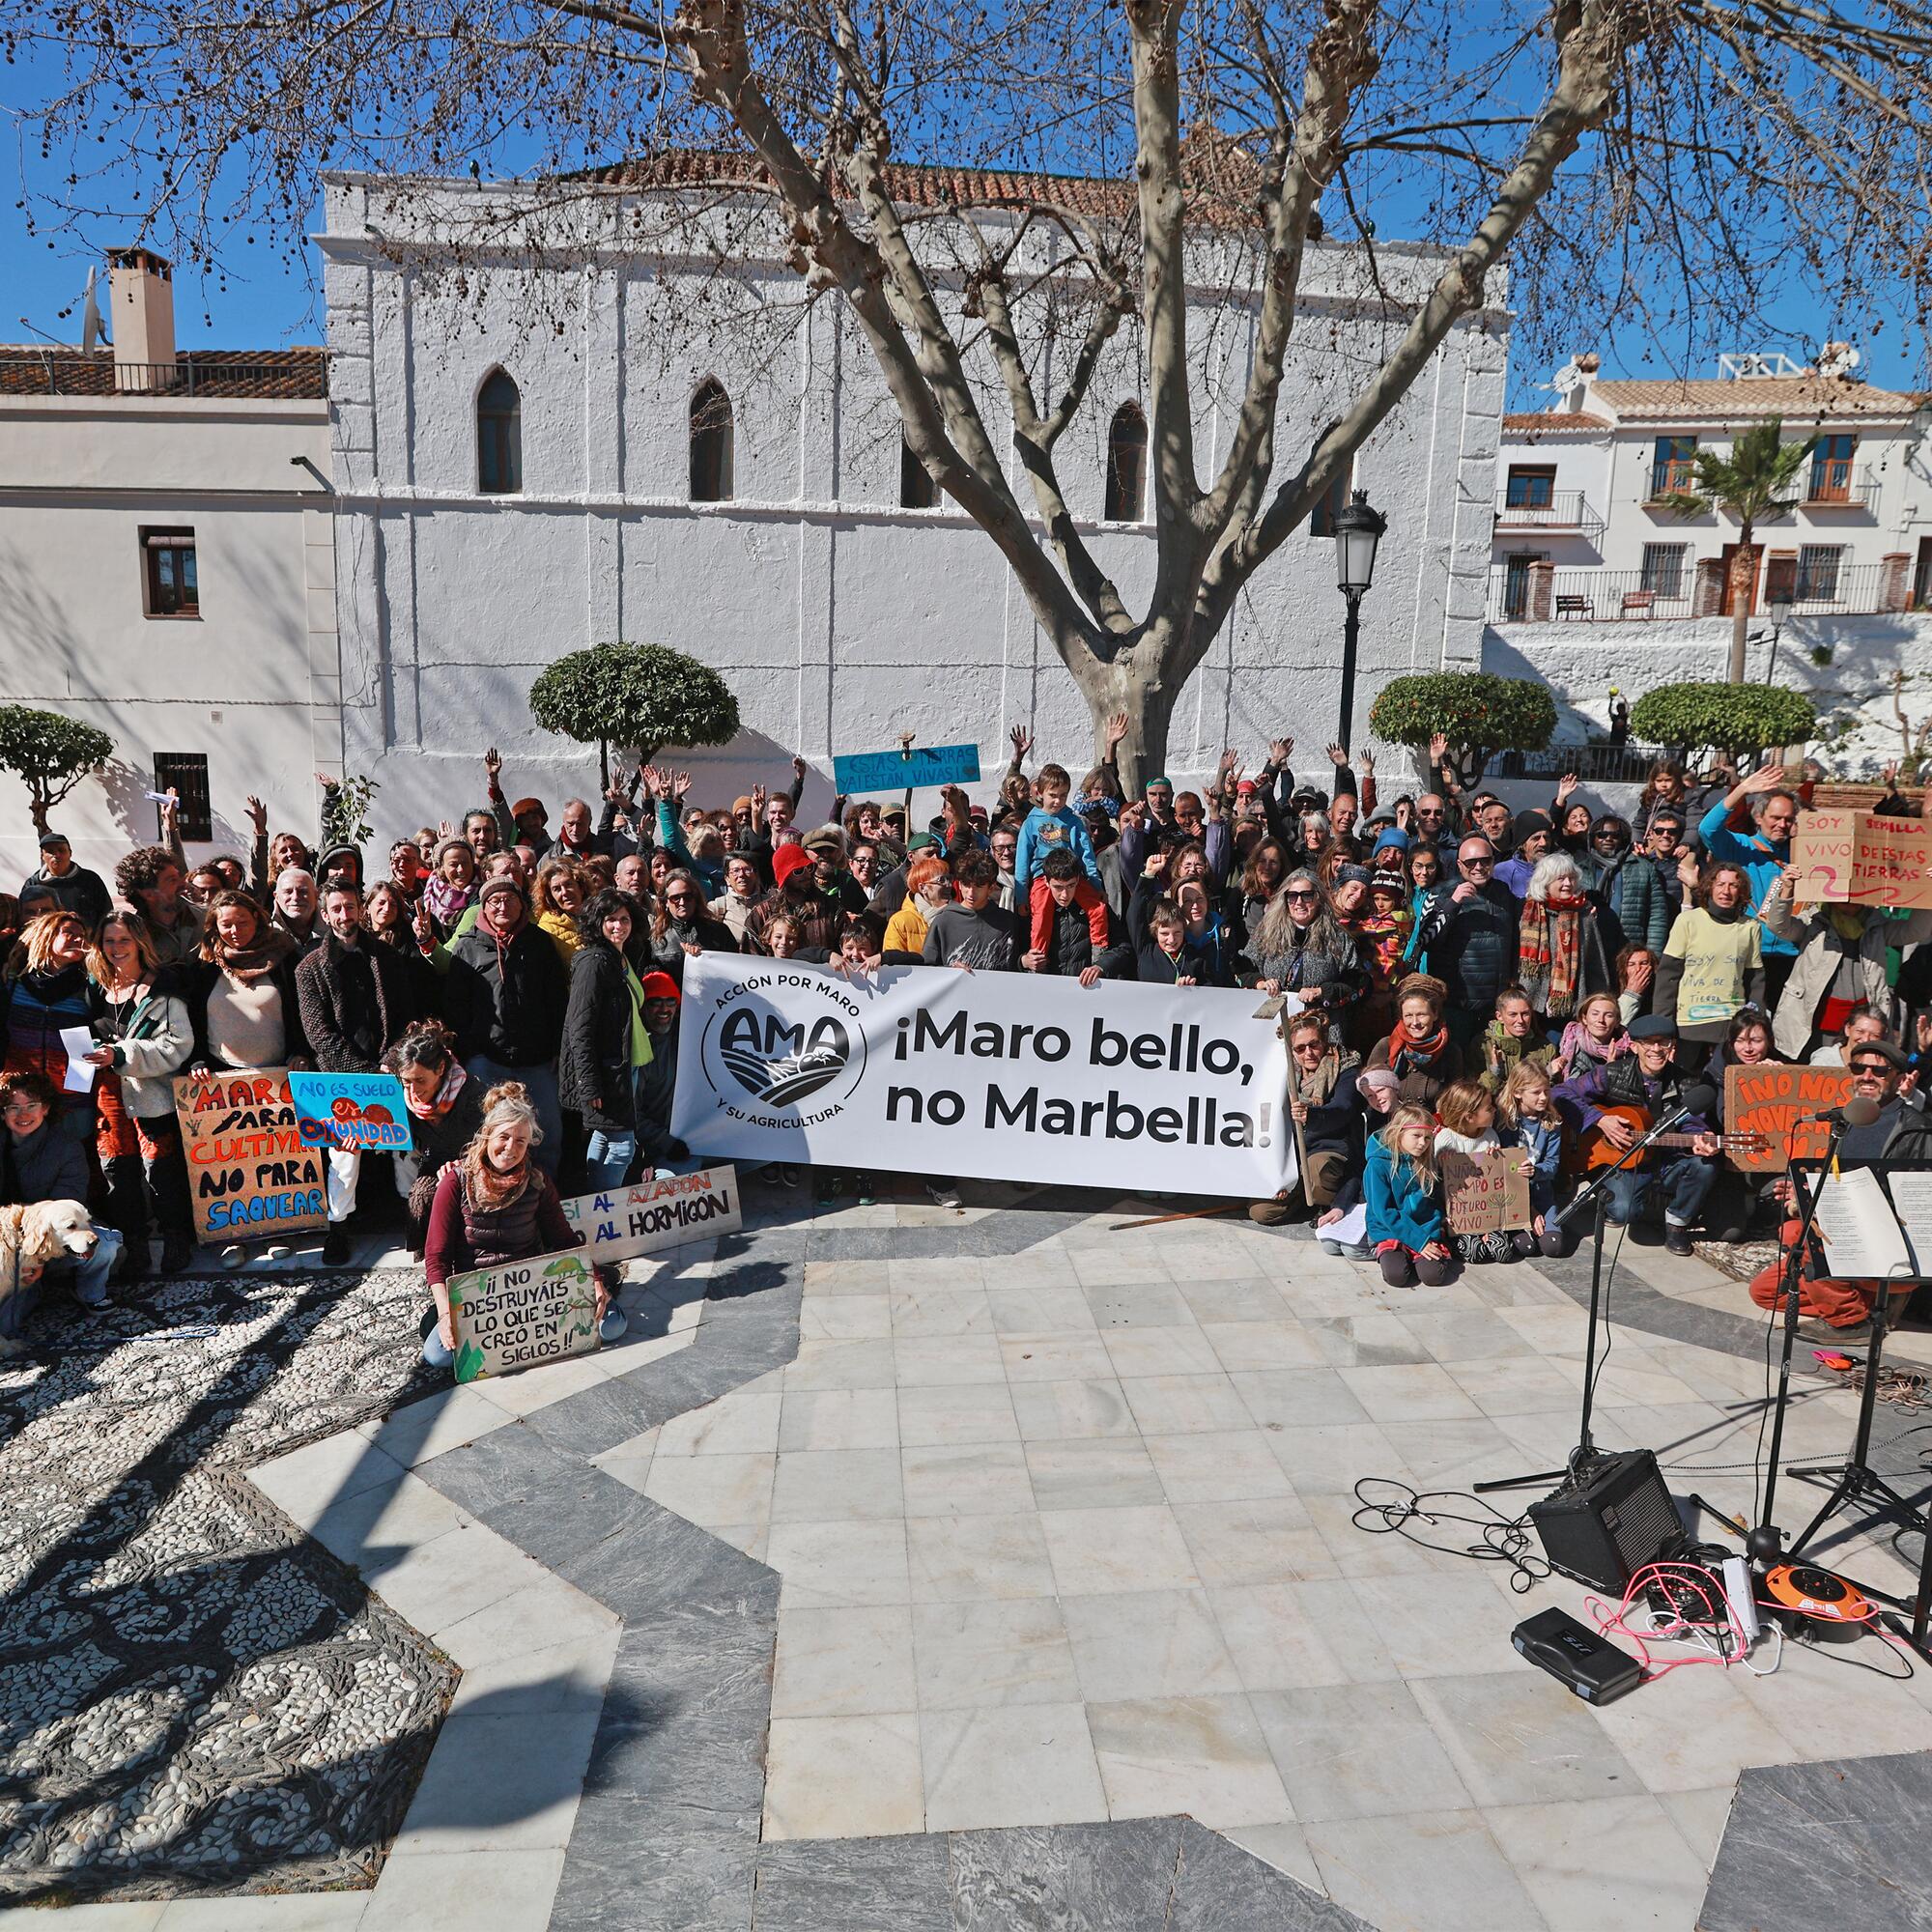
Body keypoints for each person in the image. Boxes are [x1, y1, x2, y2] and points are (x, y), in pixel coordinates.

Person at [421, 1081, 625, 1372]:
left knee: (612, 1326)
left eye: (521, 1141)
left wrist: (593, 1281)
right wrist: (445, 1314)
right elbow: (437, 1258)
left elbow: (564, 1239)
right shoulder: (455, 1182)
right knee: (438, 1356)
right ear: (488, 1136)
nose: (510, 1148)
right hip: (479, 1297)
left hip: (530, 1291)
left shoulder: (537, 1180)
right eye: (504, 1137)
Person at [1747, 1039, 1932, 1335]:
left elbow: (1920, 1207)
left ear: (1899, 1078)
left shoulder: (1916, 1130)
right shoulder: (1846, 1122)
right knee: (1766, 1292)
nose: (1867, 1076)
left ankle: (1851, 1322)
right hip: (1845, 1236)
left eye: (1879, 1070)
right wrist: (1804, 1195)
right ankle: (1869, 1305)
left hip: (1893, 1248)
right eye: (1859, 1067)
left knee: (1812, 1247)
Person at [295, 881, 422, 1263]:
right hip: (342, 1075)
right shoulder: (309, 968)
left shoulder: (384, 956)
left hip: (390, 1068)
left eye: (350, 907)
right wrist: (364, 1071)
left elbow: (406, 1017)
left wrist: (390, 1061)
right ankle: (338, 1227)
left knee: (405, 1148)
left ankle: (413, 1217)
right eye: (336, 909)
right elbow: (319, 1033)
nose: (344, 916)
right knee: (344, 1158)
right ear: (325, 913)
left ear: (359, 908)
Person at [81, 912, 194, 1278]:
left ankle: (175, 1238)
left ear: (140, 942)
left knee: (161, 1168)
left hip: (152, 1092)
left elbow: (178, 1044)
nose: (116, 948)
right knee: (118, 1171)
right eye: (109, 941)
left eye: (124, 940)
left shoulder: (163, 986)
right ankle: (135, 1246)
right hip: (108, 1095)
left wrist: (123, 1054)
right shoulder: (95, 987)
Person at [1556, 1012, 1721, 1255]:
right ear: (1633, 1046)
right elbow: (1560, 1093)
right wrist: (1600, 1120)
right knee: (1624, 1212)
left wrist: (1699, 1140)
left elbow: (1693, 1124)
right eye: (1648, 1043)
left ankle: (1676, 1222)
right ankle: (1605, 1179)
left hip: (1665, 1159)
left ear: (1672, 1047)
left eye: (1663, 1042)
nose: (1656, 1049)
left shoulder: (1687, 1083)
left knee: (1706, 1165)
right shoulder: (1611, 1074)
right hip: (1624, 1161)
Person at [442, 876, 569, 1177]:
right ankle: (488, 1191)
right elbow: (455, 1005)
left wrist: (555, 1048)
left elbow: (556, 999)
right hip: (486, 1060)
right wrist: (469, 1052)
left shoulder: (539, 942)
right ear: (483, 908)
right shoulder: (468, 947)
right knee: (485, 1133)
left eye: (509, 899)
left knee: (547, 1132)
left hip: (537, 1059)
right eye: (494, 901)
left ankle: (542, 1193)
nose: (502, 906)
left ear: (521, 905)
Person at [1760, 860, 1932, 1063]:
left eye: (1854, 889)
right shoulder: (1813, 921)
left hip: (1863, 1026)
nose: (1848, 896)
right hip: (1814, 1023)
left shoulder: (1877, 925)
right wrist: (1787, 889)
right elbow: (1777, 925)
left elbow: (1916, 931)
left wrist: (1928, 890)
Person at [0, 1069, 122, 1352]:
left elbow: (69, 1209)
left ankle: (89, 1292)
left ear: (45, 1108)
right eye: (13, 1107)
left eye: (31, 1106)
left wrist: (38, 1259)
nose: (23, 1114)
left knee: (102, 1246)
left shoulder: (65, 1148)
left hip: (55, 1236)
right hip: (8, 1247)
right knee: (8, 1326)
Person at [560, 889, 656, 1190]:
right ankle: (604, 1209)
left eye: (624, 919)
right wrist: (589, 1083)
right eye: (610, 920)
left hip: (627, 1067)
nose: (619, 926)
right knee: (621, 1147)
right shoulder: (593, 962)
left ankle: (596, 1205)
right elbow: (580, 1028)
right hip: (607, 1073)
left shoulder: (622, 957)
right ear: (596, 923)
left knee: (605, 1137)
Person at [1696, 764, 1799, 1006]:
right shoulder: (1740, 846)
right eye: (1775, 818)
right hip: (1747, 955)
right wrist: (1741, 789)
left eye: (1788, 819)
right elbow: (1707, 829)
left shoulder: (1803, 853)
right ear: (1759, 817)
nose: (1782, 825)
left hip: (1792, 955)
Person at [387, 1019, 484, 1259]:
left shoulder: (472, 1093)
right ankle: (433, 1262)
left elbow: (489, 1142)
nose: (413, 1090)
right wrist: (354, 1139)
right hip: (436, 1160)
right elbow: (378, 1130)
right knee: (421, 1196)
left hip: (476, 1163)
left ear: (441, 1069)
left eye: (420, 1080)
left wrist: (463, 1165)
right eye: (406, 1081)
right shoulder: (405, 1098)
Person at [1253, 1015, 1361, 1227]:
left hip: (1327, 1146)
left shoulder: (1345, 1066)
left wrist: (1312, 1115)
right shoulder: (1283, 1071)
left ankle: (1325, 1202)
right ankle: (1301, 1198)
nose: (1308, 1053)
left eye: (1314, 1045)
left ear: (1324, 1042)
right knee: (1261, 1212)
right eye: (1300, 1048)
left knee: (1317, 1168)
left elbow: (1344, 1107)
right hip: (1290, 1153)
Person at [184, 890, 308, 1072]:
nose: (235, 931)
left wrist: (301, 1052)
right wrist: (197, 1061)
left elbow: (303, 1013)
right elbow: (193, 1020)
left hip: (281, 1072)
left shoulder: (284, 959)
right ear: (215, 926)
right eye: (226, 925)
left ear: (256, 918)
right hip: (220, 1074)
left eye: (243, 923)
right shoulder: (205, 969)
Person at [4, 909, 99, 1145]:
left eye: (82, 935)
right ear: (46, 936)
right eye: (69, 932)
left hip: (74, 1098)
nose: (79, 939)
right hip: (23, 1096)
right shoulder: (15, 982)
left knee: (71, 1163)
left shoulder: (90, 985)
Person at [1414, 838, 1519, 1042]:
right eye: (1471, 862)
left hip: (1495, 1005)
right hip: (1457, 1005)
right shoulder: (1441, 893)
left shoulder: (1504, 892)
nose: (1478, 867)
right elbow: (1426, 940)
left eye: (1485, 861)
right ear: (1460, 865)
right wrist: (1452, 904)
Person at [1655, 861, 1766, 1048]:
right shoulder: (1687, 921)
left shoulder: (1750, 927)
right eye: (1720, 884)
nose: (1726, 891)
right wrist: (1662, 1024)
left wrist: (1757, 1022)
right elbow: (1668, 976)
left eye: (1733, 885)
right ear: (1710, 887)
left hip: (1733, 1025)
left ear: (1741, 892)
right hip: (1691, 1024)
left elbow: (1755, 980)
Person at [1242, 868, 1364, 1032]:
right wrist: (1260, 983)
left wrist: (1322, 992)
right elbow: (1242, 968)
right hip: (1270, 1028)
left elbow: (1357, 982)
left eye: (1306, 895)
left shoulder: (1337, 937)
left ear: (1318, 898)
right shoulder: (1267, 931)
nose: (1299, 902)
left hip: (1321, 1031)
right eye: (1292, 896)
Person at [1514, 849, 1617, 1032]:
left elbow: (1595, 963)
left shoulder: (1584, 915)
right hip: (1532, 1006)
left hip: (1573, 1006)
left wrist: (1598, 999)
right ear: (1545, 882)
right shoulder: (1527, 913)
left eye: (1571, 878)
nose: (1568, 884)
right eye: (1561, 879)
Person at [1496, 1061, 1580, 1259]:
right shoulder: (1503, 1121)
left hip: (1541, 1191)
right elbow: (1503, 1167)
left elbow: (1552, 1164)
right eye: (1536, 1092)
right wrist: (1529, 1210)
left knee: (1553, 1247)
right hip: (1511, 1196)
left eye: (1546, 1091)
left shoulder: (1551, 1121)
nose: (1543, 1097)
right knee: (1526, 1248)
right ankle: (1517, 1229)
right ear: (1518, 1093)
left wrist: (1536, 1171)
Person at [1433, 1078, 1520, 1264]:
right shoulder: (1446, 1139)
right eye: (1489, 1108)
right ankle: (1456, 1240)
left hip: (1486, 1211)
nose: (1494, 1110)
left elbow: (1496, 1178)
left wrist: (1496, 1158)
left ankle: (1486, 1235)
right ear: (1470, 1117)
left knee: (1503, 1253)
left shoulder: (1490, 1136)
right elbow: (1438, 1179)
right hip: (1458, 1214)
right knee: (1475, 1253)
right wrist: (1443, 1161)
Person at [1366, 1103, 1453, 1288]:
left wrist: (1443, 1218)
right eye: (1416, 1136)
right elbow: (1383, 1211)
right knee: (1396, 1277)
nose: (1423, 1143)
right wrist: (1419, 1242)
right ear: (1399, 1133)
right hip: (1390, 1229)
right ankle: (1398, 1253)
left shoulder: (1428, 1160)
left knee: (1433, 1277)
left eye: (1428, 1138)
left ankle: (1419, 1257)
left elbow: (1435, 1198)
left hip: (1424, 1226)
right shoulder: (1377, 1165)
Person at [1364, 973, 1463, 1107]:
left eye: (1421, 1015)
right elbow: (1369, 1092)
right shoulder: (1386, 1046)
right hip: (1391, 1123)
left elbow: (1455, 1099)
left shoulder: (1450, 1052)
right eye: (1408, 1016)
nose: (1415, 1022)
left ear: (1435, 1014)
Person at [1584, 814, 1670, 955]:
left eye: (1615, 835)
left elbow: (1657, 917)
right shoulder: (1579, 869)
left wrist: (1653, 956)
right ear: (1592, 839)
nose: (1608, 839)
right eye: (1602, 835)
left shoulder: (1643, 868)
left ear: (1623, 839)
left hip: (1629, 953)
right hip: (1589, 951)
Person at [922, 852, 1020, 970]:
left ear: (991, 888)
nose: (971, 893)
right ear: (959, 885)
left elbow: (1017, 963)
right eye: (966, 885)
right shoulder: (943, 922)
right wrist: (949, 972)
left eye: (978, 886)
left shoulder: (1008, 921)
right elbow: (927, 968)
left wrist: (1023, 962)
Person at [115, 845, 205, 967]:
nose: (183, 884)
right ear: (148, 894)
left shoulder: (207, 920)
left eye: (179, 877)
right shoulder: (135, 938)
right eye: (172, 880)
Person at [21, 831, 111, 928]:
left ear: (70, 853)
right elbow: (25, 919)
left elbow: (106, 914)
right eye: (50, 851)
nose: (56, 855)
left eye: (61, 850)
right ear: (42, 856)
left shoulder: (90, 880)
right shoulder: (33, 884)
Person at [1479, 984, 1558, 1092]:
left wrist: (1548, 1073)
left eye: (1525, 1014)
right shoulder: (1484, 1045)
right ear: (1499, 1017)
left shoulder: (1546, 1049)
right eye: (1513, 1015)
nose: (1520, 1020)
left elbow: (1551, 1094)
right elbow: (1477, 1094)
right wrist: (1495, 1072)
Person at [1553, 989, 1629, 1083]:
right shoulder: (1570, 1043)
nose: (1601, 1020)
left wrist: (1610, 1071)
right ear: (1584, 1019)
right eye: (1595, 1014)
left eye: (1608, 1015)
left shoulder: (1627, 1050)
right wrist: (1551, 1071)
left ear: (1617, 1022)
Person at [1807, 1004, 1889, 1070]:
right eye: (1860, 1031)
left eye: (1874, 1035)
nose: (1866, 1039)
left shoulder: (1883, 1065)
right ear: (1847, 1029)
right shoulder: (1825, 1060)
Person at [272, 867, 322, 959]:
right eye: (288, 892)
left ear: (316, 895)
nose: (295, 897)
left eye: (303, 891)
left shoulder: (333, 928)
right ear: (276, 897)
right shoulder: (267, 934)